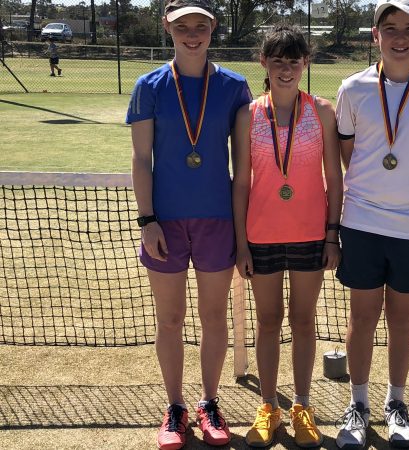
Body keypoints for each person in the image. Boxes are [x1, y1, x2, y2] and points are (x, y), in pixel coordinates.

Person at [127, 0, 252, 448]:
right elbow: (141, 158)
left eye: (201, 25)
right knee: (170, 319)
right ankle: (175, 408)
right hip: (165, 223)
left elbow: (243, 168)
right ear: (168, 27)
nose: (193, 34)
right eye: (183, 26)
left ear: (214, 28)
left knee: (214, 316)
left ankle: (210, 403)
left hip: (218, 221)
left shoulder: (235, 87)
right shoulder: (148, 86)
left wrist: (242, 232)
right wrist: (148, 220)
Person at [333, 0, 409, 447]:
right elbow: (348, 154)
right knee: (362, 317)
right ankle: (358, 404)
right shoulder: (353, 88)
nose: (399, 37)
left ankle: (396, 403)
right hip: (362, 221)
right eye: (390, 28)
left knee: (403, 319)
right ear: (375, 35)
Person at [233, 24, 343, 448]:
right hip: (260, 236)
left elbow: (334, 179)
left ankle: (301, 406)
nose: (285, 69)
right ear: (263, 62)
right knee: (267, 322)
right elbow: (241, 183)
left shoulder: (323, 112)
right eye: (277, 60)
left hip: (311, 235)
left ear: (305, 63)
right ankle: (268, 407)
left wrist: (331, 235)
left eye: (294, 61)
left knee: (302, 320)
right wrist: (241, 244)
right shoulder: (248, 115)